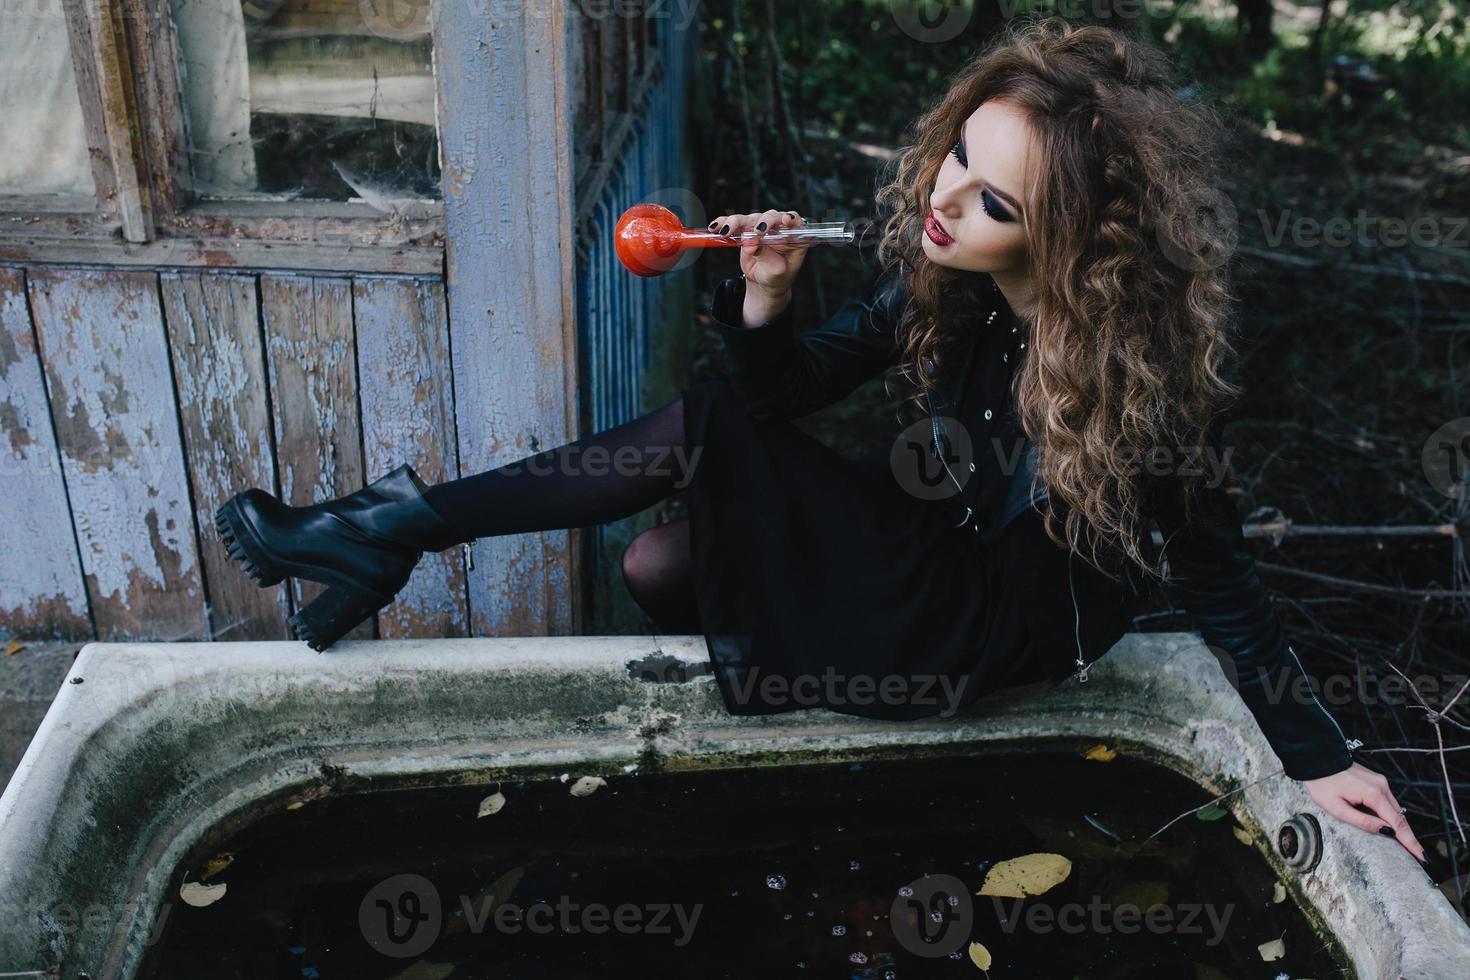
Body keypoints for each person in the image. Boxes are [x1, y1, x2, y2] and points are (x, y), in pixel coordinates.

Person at [214, 16, 1424, 863]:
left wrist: (1314, 755)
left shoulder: (1133, 385)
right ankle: (387, 536)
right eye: (959, 156)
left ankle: (387, 529)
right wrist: (765, 297)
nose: (946, 200)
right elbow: (779, 392)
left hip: (980, 627)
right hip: (925, 550)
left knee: (698, 436)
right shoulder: (934, 286)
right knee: (659, 566)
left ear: (1066, 233)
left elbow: (1221, 572)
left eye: (994, 200)